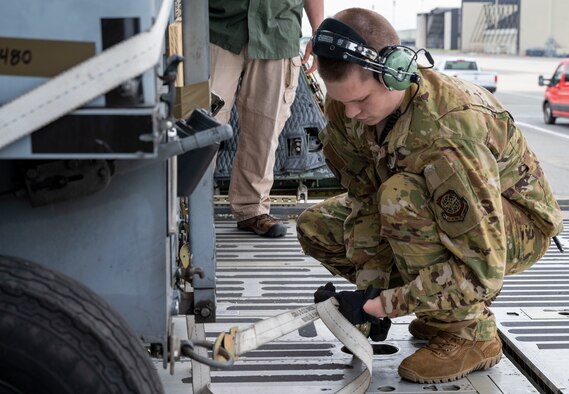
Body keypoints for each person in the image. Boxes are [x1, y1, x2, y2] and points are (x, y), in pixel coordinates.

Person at [297, 7, 563, 384]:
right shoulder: (347, 109)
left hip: (513, 228)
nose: (352, 113)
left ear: (395, 73)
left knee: (400, 198)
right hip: (427, 207)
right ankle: (441, 312)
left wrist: (382, 305)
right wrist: (369, 293)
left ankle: (470, 333)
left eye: (362, 100)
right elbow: (364, 204)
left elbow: (481, 270)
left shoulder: (450, 131)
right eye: (343, 102)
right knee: (316, 226)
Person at [209, 0, 323, 237]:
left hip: (278, 33)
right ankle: (190, 206)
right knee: (203, 124)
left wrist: (318, 30)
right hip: (216, 27)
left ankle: (252, 208)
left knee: (265, 126)